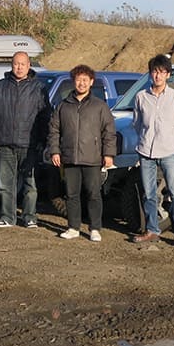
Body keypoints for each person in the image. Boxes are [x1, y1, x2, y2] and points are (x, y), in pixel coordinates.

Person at [47, 64, 115, 242]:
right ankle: (73, 227)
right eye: (78, 80)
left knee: (93, 194)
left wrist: (108, 154)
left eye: (85, 80)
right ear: (73, 82)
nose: (82, 83)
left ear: (91, 82)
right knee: (71, 194)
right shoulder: (63, 106)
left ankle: (95, 228)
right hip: (69, 157)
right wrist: (55, 151)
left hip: (92, 157)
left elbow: (109, 131)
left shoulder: (100, 106)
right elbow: (54, 130)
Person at [0, 51, 50, 228]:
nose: (19, 67)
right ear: (11, 65)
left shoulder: (38, 88)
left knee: (31, 184)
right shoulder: (0, 86)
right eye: (16, 64)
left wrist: (42, 141)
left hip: (30, 144)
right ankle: (7, 216)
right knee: (6, 183)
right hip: (6, 143)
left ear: (29, 65)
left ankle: (29, 216)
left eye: (23, 64)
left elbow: (45, 116)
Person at [131, 54, 174, 246]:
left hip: (169, 151)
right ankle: (152, 230)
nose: (158, 76)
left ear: (168, 74)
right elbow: (137, 123)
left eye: (162, 72)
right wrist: (144, 139)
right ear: (150, 74)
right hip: (146, 151)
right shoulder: (141, 97)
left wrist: (173, 140)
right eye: (155, 72)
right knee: (148, 193)